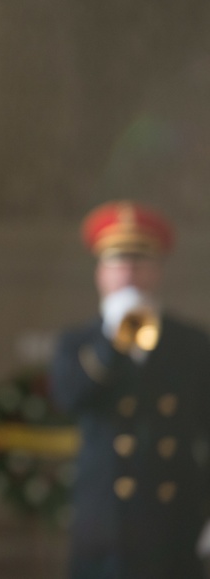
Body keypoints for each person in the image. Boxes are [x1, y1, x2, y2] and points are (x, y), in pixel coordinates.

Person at [50, 200, 210, 579]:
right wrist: (113, 344)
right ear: (100, 273)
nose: (129, 271)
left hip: (174, 514)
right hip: (106, 519)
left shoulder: (191, 342)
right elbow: (69, 399)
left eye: (140, 260)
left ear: (158, 270)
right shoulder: (78, 342)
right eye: (118, 261)